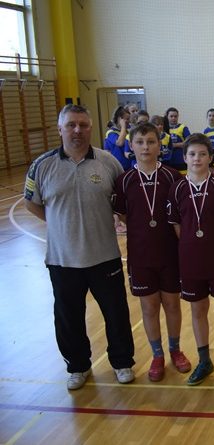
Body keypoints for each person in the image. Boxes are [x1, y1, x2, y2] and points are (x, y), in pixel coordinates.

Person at [24, 104, 135, 390]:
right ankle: (77, 366)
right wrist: (59, 223)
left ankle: (122, 362)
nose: (77, 130)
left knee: (116, 314)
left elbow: (122, 202)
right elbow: (31, 202)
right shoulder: (42, 165)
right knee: (68, 317)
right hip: (62, 259)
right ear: (60, 129)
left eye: (83, 125)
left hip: (105, 256)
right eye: (71, 125)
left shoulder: (108, 162)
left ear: (90, 128)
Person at [113, 123, 192, 382]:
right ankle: (157, 355)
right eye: (140, 142)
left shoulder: (173, 176)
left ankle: (175, 350)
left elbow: (181, 214)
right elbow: (124, 215)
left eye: (150, 141)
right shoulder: (124, 180)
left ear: (160, 145)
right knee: (148, 307)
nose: (145, 147)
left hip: (170, 254)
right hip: (140, 256)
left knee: (172, 304)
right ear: (131, 146)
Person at [167, 133, 214, 386]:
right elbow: (177, 226)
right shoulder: (177, 188)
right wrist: (193, 245)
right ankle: (204, 360)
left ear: (210, 158)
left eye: (202, 154)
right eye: (192, 154)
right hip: (191, 261)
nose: (197, 158)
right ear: (185, 158)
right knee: (198, 311)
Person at [104, 106, 132, 171]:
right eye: (127, 119)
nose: (129, 121)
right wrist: (123, 126)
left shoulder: (126, 132)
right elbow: (120, 143)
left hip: (128, 167)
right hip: (117, 167)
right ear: (120, 119)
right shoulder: (111, 132)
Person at [165, 107, 190, 173]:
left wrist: (174, 145)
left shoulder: (183, 127)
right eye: (171, 116)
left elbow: (189, 142)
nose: (173, 118)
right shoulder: (164, 129)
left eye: (175, 116)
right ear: (167, 117)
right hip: (167, 161)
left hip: (181, 160)